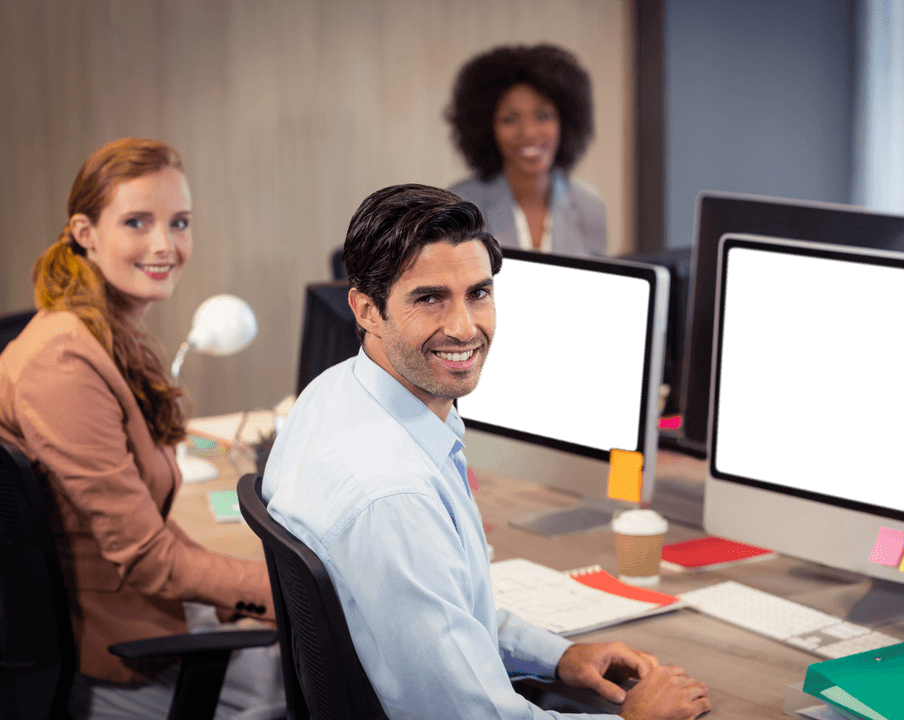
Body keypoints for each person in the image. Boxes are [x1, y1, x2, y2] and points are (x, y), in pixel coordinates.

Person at [261, 184, 709, 720]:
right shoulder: (394, 498)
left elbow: (442, 618)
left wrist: (556, 656)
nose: (464, 328)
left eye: (478, 293)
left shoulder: (331, 392)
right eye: (429, 298)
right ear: (366, 310)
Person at [0, 138, 283, 719]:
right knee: (329, 682)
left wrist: (258, 594)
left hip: (143, 615)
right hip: (119, 652)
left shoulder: (107, 336)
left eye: (179, 223)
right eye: (137, 222)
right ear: (85, 232)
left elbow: (147, 525)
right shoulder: (63, 362)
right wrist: (288, 594)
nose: (164, 245)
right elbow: (147, 557)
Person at [446, 44, 607, 256]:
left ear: (565, 122)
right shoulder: (460, 206)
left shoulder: (590, 207)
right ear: (486, 127)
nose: (528, 133)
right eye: (510, 119)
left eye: (543, 116)